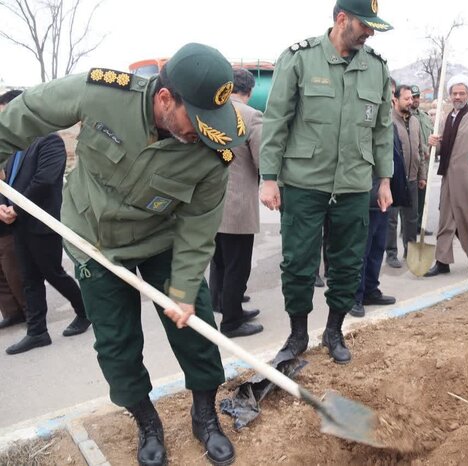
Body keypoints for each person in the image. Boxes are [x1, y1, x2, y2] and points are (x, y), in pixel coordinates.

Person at [0, 43, 241, 466]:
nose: (203, 133)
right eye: (197, 120)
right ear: (165, 99)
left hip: (162, 240)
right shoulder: (102, 93)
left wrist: (183, 289)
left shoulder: (212, 155)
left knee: (196, 327)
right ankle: (147, 422)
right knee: (116, 342)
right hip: (94, 241)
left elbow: (199, 225)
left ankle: (204, 414)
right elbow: (27, 114)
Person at [259, 0, 393, 364]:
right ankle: (298, 334)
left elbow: (382, 129)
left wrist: (384, 180)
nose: (368, 33)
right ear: (341, 19)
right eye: (364, 25)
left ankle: (333, 331)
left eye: (372, 28)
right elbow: (276, 121)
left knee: (348, 261)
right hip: (304, 183)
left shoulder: (376, 68)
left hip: (353, 184)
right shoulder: (299, 58)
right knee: (299, 262)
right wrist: (268, 177)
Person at [0, 130, 92, 355]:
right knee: (28, 277)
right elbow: (6, 181)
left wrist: (17, 207)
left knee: (52, 272)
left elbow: (45, 180)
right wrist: (4, 206)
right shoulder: (15, 144)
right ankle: (37, 331)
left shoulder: (49, 141)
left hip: (43, 221)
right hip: (18, 223)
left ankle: (85, 311)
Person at [209, 68, 264, 338]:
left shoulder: (210, 112)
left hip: (211, 201)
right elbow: (262, 159)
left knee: (219, 259)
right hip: (238, 202)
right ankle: (231, 322)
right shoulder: (251, 115)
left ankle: (220, 303)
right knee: (237, 265)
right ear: (250, 91)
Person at [351, 78, 402, 319]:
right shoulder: (363, 120)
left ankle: (371, 289)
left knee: (378, 246)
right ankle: (355, 296)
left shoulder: (389, 124)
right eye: (387, 94)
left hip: (384, 193)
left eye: (392, 95)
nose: (390, 100)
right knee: (361, 248)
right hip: (363, 191)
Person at [424, 75, 468, 277]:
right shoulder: (446, 118)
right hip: (448, 176)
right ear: (449, 95)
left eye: (461, 93)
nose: (458, 97)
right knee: (445, 219)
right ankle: (442, 261)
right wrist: (433, 142)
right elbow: (441, 148)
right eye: (454, 93)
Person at [385, 85, 426, 268]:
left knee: (411, 219)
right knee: (391, 220)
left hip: (412, 178)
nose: (411, 102)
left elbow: (419, 151)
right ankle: (391, 254)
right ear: (395, 100)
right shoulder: (388, 121)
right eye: (406, 98)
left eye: (412, 98)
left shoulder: (415, 122)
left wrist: (421, 176)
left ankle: (410, 252)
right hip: (393, 179)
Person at [0, 90, 27, 330]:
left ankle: (30, 312)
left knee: (13, 269)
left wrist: (10, 208)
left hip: (10, 218)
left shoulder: (28, 141)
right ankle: (11, 312)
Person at [411, 84, 433, 235]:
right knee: (410, 200)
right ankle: (409, 227)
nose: (415, 100)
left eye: (417, 97)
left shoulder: (425, 117)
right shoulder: (406, 117)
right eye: (412, 97)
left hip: (424, 163)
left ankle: (419, 225)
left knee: (422, 196)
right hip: (412, 161)